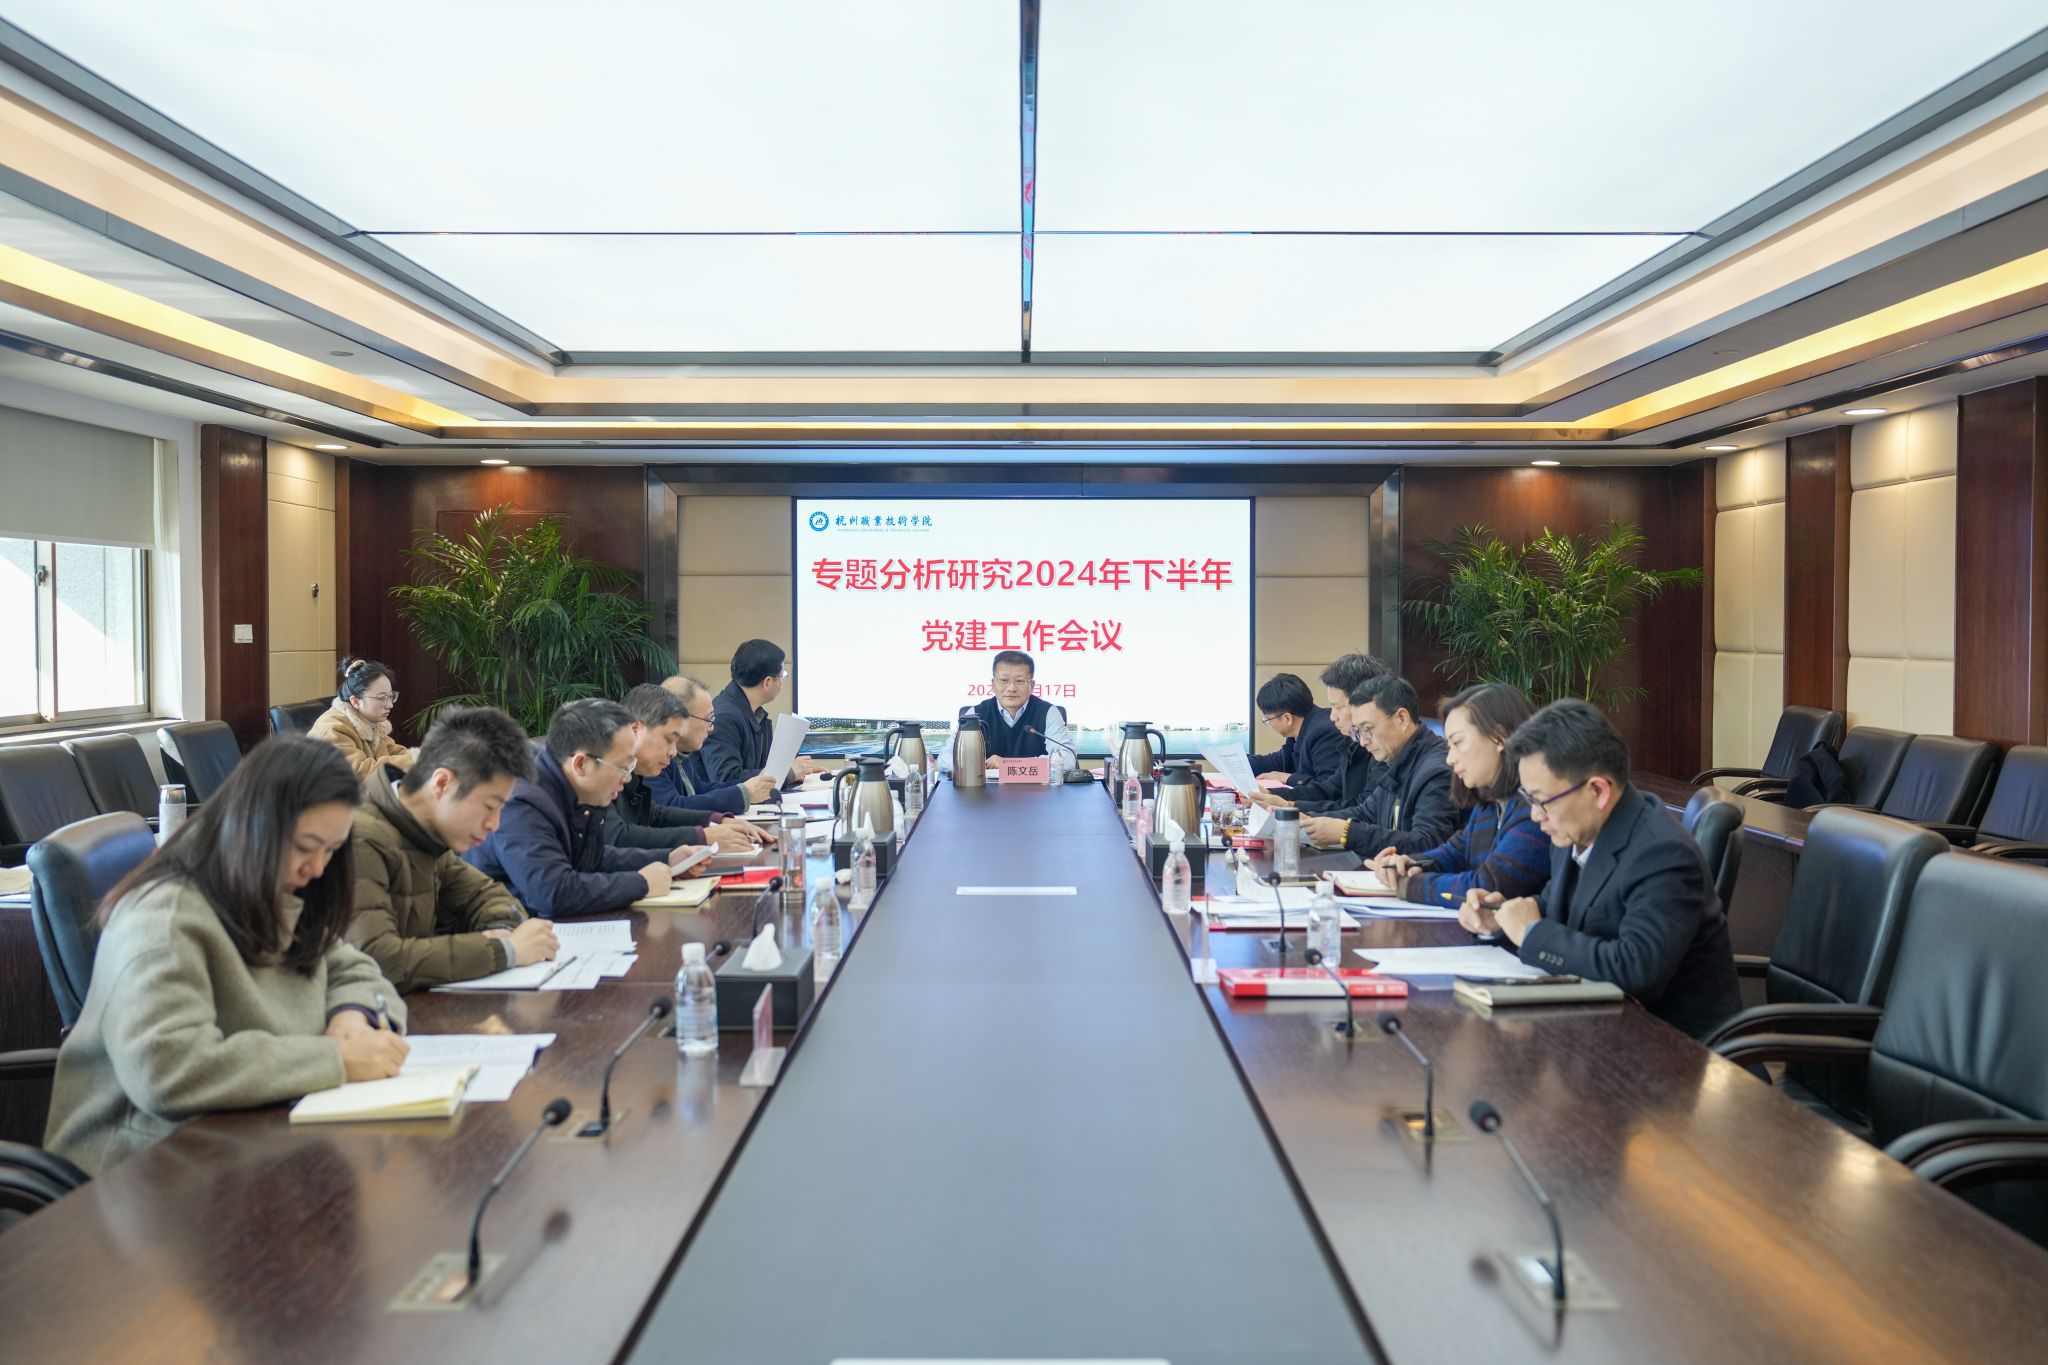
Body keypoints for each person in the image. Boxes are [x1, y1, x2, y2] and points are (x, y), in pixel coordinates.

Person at [44, 737, 409, 1176]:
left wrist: (352, 1018)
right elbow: (166, 1069)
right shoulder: (164, 917)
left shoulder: (273, 886)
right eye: (305, 846)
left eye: (331, 850)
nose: (316, 868)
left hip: (249, 1139)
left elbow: (353, 968)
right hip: (142, 1167)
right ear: (254, 827)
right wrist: (335, 1060)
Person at [1465, 698, 1741, 1040]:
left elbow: (1636, 969)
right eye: (1529, 799)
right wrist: (1502, 917)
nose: (1535, 815)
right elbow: (1558, 906)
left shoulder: (1662, 853)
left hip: (1675, 1048)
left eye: (1541, 800)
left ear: (1597, 790)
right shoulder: (1573, 829)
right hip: (1598, 1028)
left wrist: (1532, 933)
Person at [346, 705, 560, 992]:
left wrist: (502, 932)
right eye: (489, 806)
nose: (494, 824)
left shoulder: (424, 831)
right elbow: (378, 960)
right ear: (442, 783)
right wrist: (503, 950)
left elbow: (488, 895)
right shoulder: (361, 836)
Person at [465, 699, 677, 918]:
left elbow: (591, 858)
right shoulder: (522, 803)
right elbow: (552, 893)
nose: (627, 777)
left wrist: (668, 858)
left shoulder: (579, 792)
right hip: (508, 929)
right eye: (623, 767)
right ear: (581, 764)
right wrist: (641, 883)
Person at [1364, 682, 1549, 905]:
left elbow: (1487, 887)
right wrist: (1408, 863)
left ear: (1500, 737)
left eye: (1458, 742)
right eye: (1449, 746)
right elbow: (1455, 852)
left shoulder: (1537, 808)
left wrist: (1408, 885)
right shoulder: (1490, 803)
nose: (1450, 759)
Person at [1301, 674, 1459, 857]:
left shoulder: (1436, 771)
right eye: (1358, 732)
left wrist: (1347, 833)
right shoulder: (1398, 759)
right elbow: (1367, 812)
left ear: (1402, 718)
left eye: (1367, 729)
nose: (1363, 742)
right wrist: (1307, 819)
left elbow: (1426, 844)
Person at [612, 684, 773, 855]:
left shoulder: (636, 769)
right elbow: (619, 838)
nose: (673, 752)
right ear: (635, 729)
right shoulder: (610, 773)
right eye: (668, 739)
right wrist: (701, 837)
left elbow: (654, 814)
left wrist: (716, 819)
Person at [689, 639, 828, 790]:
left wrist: (798, 771)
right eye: (783, 675)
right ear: (767, 682)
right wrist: (787, 774)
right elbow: (727, 779)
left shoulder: (754, 714)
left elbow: (763, 769)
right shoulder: (725, 717)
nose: (783, 681)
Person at [1262, 652, 1389, 812]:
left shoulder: (1383, 750)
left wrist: (1293, 808)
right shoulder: (1353, 742)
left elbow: (1364, 809)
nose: (1332, 717)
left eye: (1338, 707)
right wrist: (1273, 796)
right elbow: (1330, 789)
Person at [644, 675, 778, 813]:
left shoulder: (682, 752)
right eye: (708, 719)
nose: (711, 727)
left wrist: (750, 786)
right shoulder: (653, 756)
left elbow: (700, 790)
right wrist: (744, 794)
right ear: (680, 718)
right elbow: (673, 807)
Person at [937, 650, 1075, 779]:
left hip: (1037, 792)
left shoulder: (1048, 712)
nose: (1011, 688)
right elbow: (945, 758)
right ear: (993, 684)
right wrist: (977, 766)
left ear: (1032, 685)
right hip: (985, 793)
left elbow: (1067, 759)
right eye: (1004, 680)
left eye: (1020, 681)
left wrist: (1007, 765)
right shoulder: (975, 714)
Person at [307, 657, 415, 778]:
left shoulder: (371, 723)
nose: (390, 705)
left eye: (391, 697)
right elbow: (360, 772)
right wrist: (414, 761)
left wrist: (422, 758)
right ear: (355, 701)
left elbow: (393, 751)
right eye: (382, 698)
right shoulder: (332, 729)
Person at [1247, 672, 1346, 796]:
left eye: (1267, 719)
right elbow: (1275, 761)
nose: (1268, 723)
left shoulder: (1324, 732)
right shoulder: (1300, 731)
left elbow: (1328, 789)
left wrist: (1288, 778)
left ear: (1287, 718)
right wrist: (1236, 762)